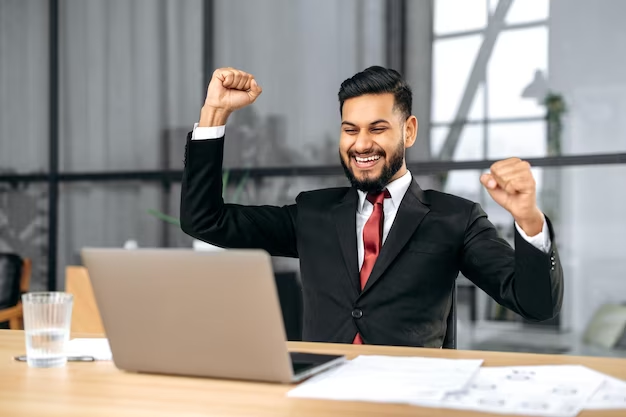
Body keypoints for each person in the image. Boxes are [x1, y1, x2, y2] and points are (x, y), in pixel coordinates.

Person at [180, 66, 563, 348]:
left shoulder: (456, 218)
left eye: (377, 129)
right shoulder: (313, 213)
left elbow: (535, 304)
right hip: (323, 397)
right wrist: (214, 115)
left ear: (408, 131)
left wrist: (528, 219)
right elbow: (205, 220)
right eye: (351, 130)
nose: (362, 144)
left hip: (412, 402)